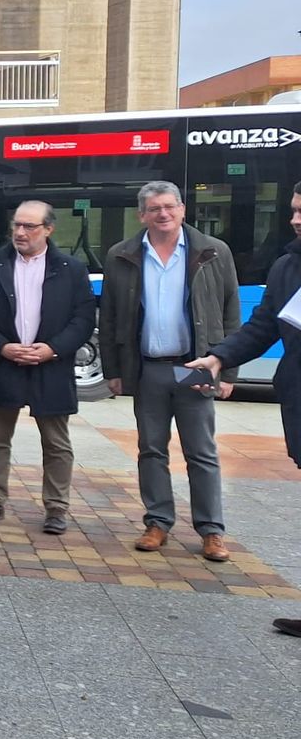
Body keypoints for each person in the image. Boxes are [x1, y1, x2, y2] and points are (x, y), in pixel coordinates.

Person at [100, 180, 241, 562]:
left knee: (202, 452)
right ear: (142, 215)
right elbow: (110, 315)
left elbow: (231, 311)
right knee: (150, 449)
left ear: (182, 209)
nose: (163, 214)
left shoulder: (213, 251)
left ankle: (211, 531)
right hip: (148, 368)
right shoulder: (121, 255)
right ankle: (158, 522)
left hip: (195, 366)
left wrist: (227, 370)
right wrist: (114, 369)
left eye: (170, 206)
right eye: (154, 209)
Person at [189, 181, 301, 636]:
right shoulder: (287, 265)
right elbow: (262, 326)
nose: (295, 218)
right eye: (295, 209)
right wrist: (219, 357)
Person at [0, 202, 97, 534]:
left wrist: (53, 349)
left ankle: (56, 507)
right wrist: (2, 347)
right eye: (16, 226)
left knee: (56, 442)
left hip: (50, 366)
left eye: (29, 227)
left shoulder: (71, 268)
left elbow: (83, 318)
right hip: (2, 364)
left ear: (49, 230)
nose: (20, 233)